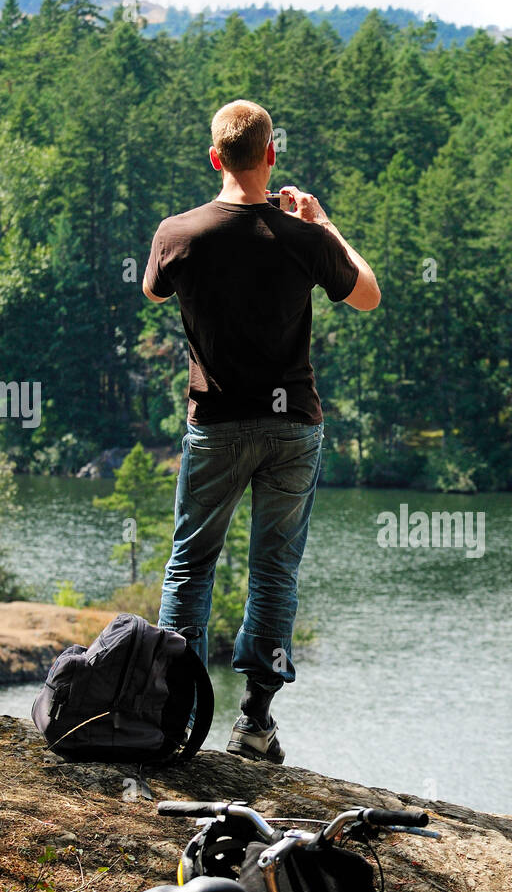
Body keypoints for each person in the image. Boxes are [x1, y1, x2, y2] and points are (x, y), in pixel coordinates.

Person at [142, 99, 380, 762]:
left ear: (215, 158)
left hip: (215, 425)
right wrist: (323, 223)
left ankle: (173, 719)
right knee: (275, 573)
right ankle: (254, 725)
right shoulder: (301, 238)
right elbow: (367, 294)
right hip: (291, 427)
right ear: (270, 156)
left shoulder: (179, 232)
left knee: (190, 567)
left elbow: (154, 291)